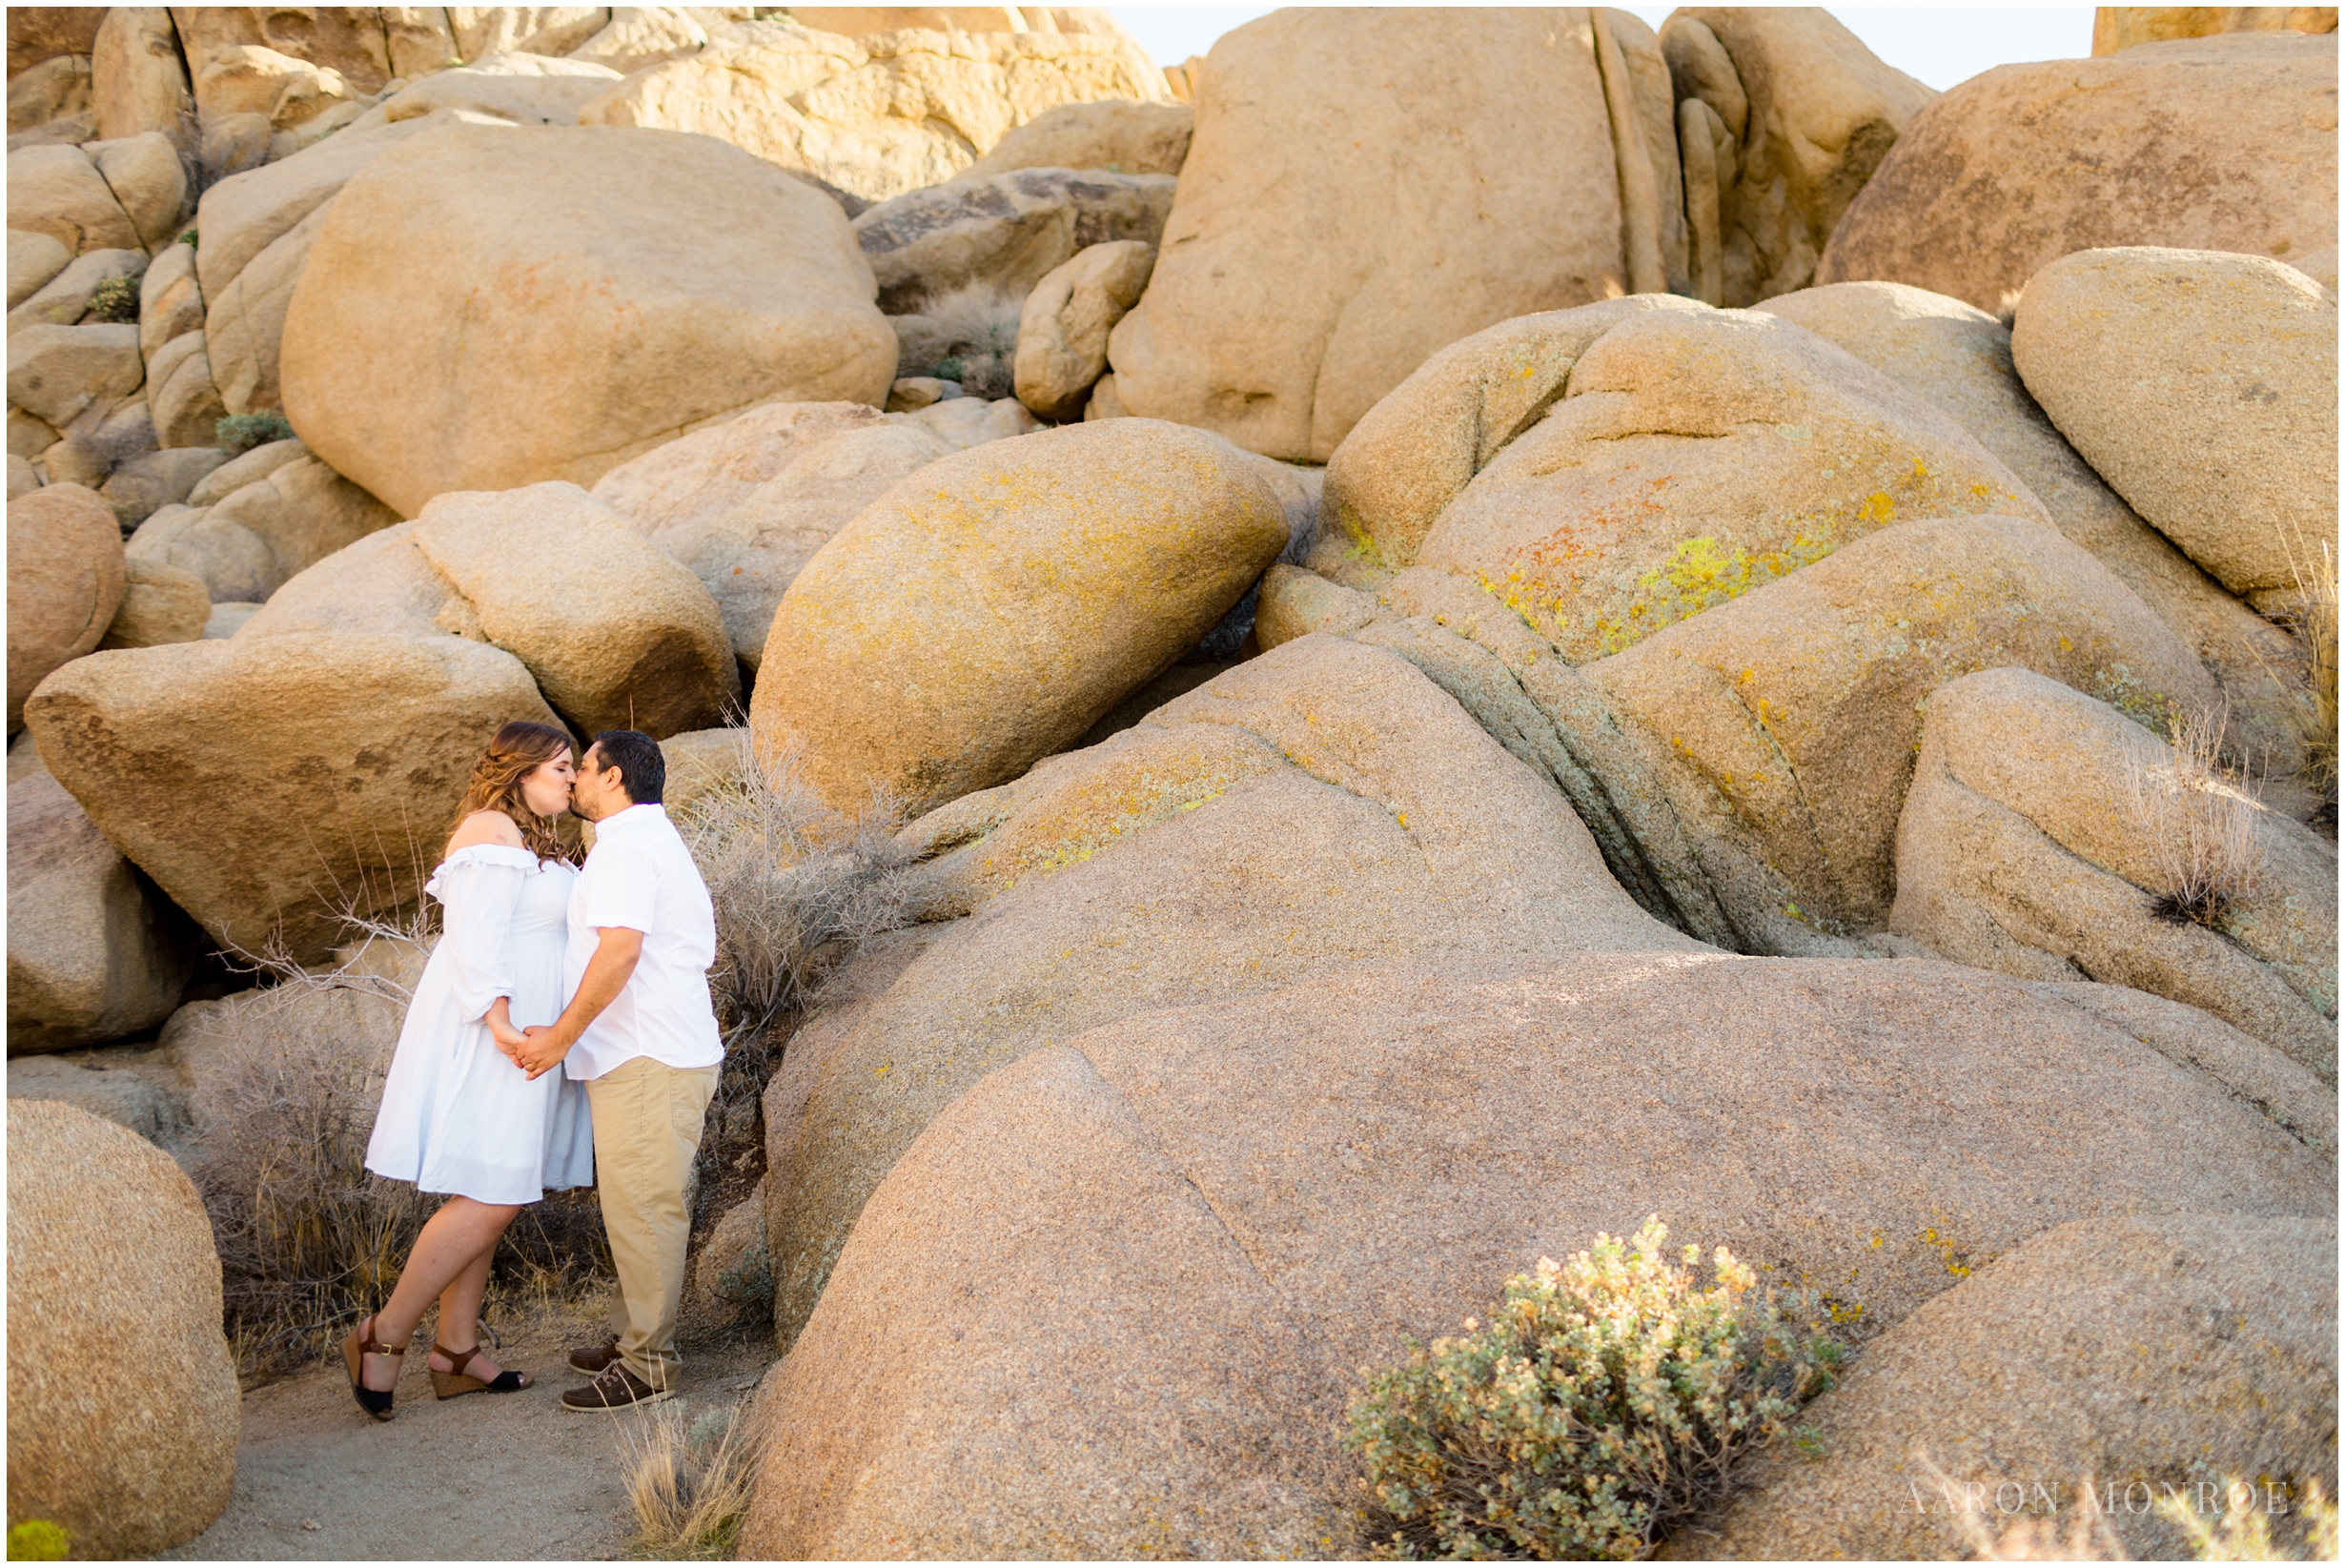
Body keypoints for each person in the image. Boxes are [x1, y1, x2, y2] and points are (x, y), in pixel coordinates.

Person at [345, 721, 595, 1421]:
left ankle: (454, 1348)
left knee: (496, 1181)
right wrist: (501, 1025)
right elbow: (476, 939)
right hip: (492, 1029)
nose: (572, 779)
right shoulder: (489, 829)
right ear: (521, 772)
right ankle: (384, 1333)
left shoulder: (535, 839)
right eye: (561, 766)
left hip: (524, 1030)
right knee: (494, 1192)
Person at [507, 729, 724, 1413]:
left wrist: (561, 1037)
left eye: (585, 768)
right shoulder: (643, 841)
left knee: (646, 1209)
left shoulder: (628, 848)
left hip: (648, 1054)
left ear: (615, 777)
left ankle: (648, 1364)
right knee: (635, 1206)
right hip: (648, 1052)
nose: (573, 780)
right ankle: (639, 1333)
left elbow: (620, 952)